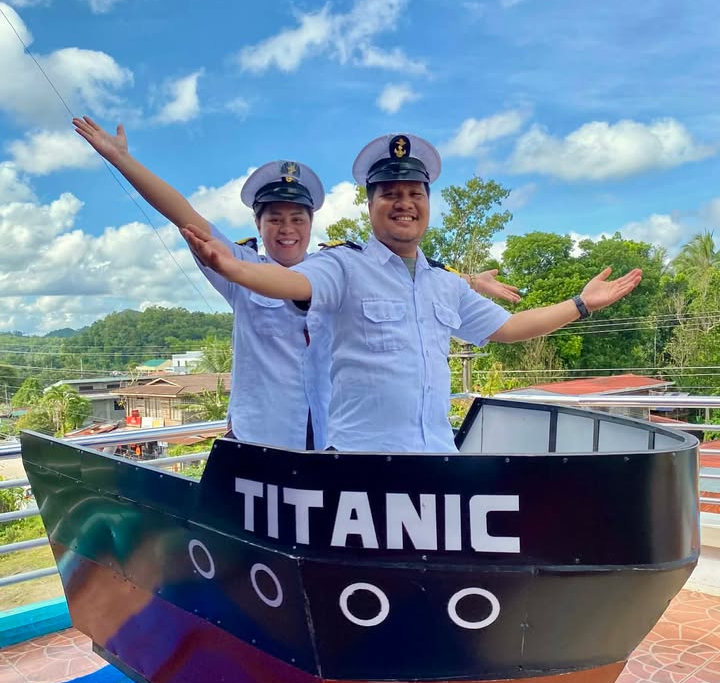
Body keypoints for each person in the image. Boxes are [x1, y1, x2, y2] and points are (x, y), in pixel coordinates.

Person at [183, 133, 643, 454]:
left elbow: (509, 327)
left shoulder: (444, 282)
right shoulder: (344, 266)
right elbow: (293, 283)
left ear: (427, 203)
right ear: (370, 205)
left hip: (436, 459)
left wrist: (581, 304)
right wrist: (233, 269)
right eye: (390, 193)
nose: (404, 202)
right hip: (360, 464)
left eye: (414, 193)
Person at [73, 119, 517, 449]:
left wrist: (468, 280)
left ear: (310, 224)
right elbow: (186, 216)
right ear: (258, 225)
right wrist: (123, 160)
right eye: (275, 220)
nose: (287, 230)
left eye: (297, 219)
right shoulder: (243, 268)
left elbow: (402, 277)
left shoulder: (335, 271)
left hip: (327, 438)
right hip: (262, 438)